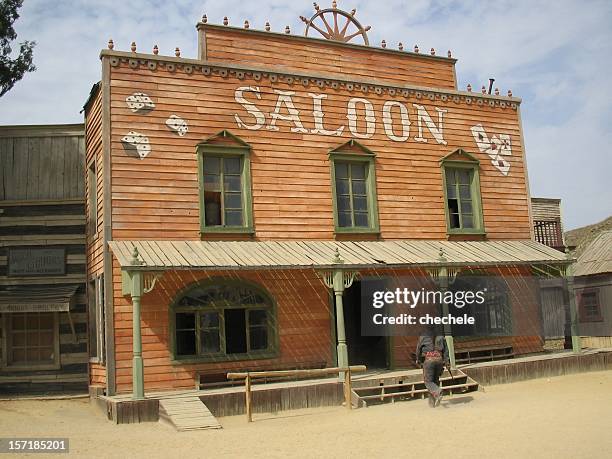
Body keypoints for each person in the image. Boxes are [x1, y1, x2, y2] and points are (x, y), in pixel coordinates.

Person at [415, 325, 450, 407]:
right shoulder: (441, 336)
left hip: (429, 360)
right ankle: (432, 404)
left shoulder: (423, 336)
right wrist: (447, 362)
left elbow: (418, 350)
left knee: (428, 382)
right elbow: (446, 351)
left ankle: (438, 392)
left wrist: (418, 360)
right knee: (435, 381)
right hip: (439, 360)